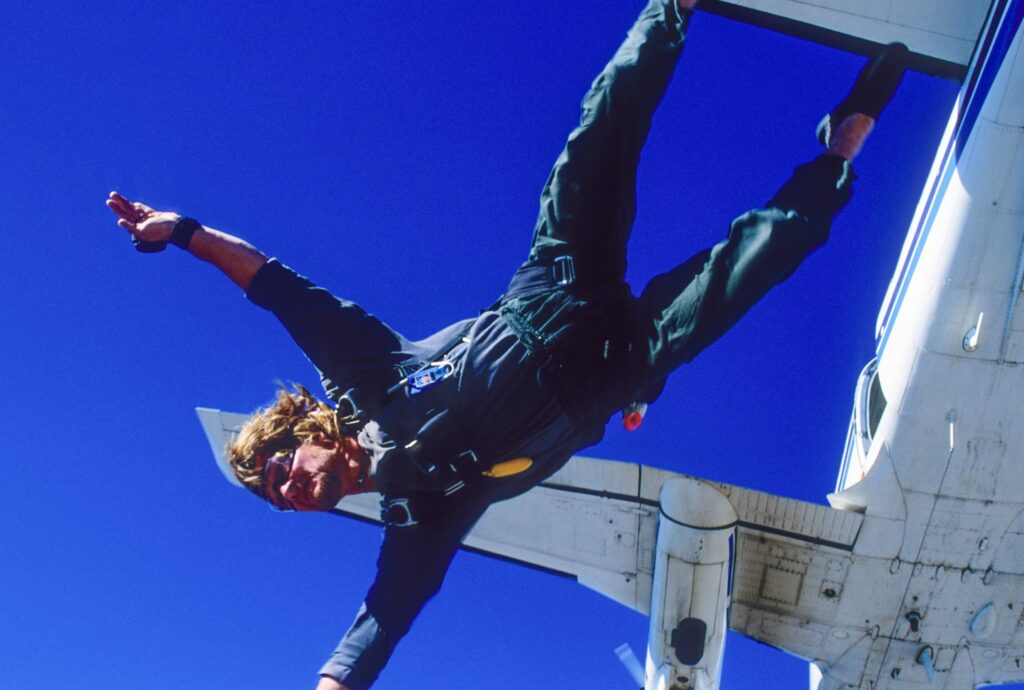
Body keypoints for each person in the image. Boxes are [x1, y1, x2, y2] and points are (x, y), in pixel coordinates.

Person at [105, 0, 907, 687]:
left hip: (560, 275)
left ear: (304, 432)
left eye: (281, 470)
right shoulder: (422, 513)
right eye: (279, 498)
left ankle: (673, 8)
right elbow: (378, 625)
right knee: (774, 249)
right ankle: (845, 138)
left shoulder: (366, 379)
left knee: (606, 127)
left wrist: (185, 233)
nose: (289, 490)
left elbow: (276, 287)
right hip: (627, 360)